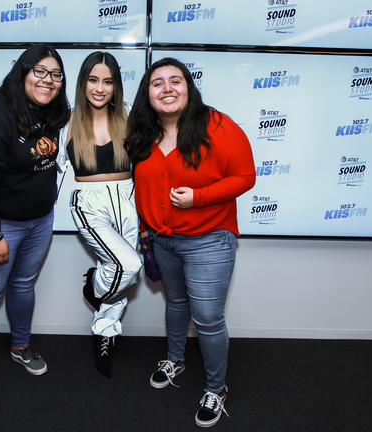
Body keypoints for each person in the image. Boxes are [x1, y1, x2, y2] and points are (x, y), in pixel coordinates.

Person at [124, 57, 256, 427]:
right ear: (147, 94)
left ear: (188, 86)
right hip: (162, 241)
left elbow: (245, 176)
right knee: (176, 303)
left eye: (175, 80)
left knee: (209, 319)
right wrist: (146, 229)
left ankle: (217, 388)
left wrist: (199, 198)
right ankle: (176, 359)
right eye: (157, 83)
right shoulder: (144, 133)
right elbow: (144, 187)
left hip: (209, 240)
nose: (167, 88)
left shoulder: (217, 125)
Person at [0, 44, 70, 402]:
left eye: (55, 75)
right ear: (22, 71)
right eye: (39, 71)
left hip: (40, 220)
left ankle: (20, 348)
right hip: (1, 226)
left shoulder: (51, 112)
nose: (48, 81)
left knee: (23, 285)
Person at [58, 51, 141, 378]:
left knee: (119, 267)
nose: (100, 87)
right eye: (93, 79)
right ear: (83, 83)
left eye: (108, 81)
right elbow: (46, 172)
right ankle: (94, 286)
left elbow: (149, 164)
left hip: (128, 198)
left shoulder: (129, 115)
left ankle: (104, 332)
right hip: (90, 203)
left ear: (116, 85)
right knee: (127, 265)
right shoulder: (67, 120)